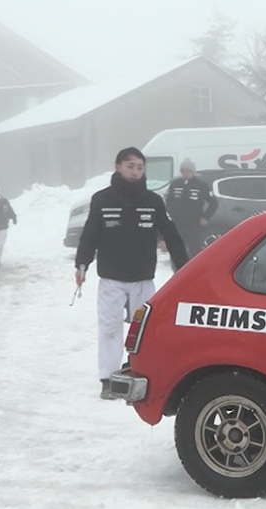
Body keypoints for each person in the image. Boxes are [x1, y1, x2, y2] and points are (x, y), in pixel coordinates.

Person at [75, 147, 190, 400]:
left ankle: (142, 373)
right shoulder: (102, 199)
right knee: (110, 328)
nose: (136, 171)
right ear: (118, 167)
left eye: (140, 167)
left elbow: (171, 235)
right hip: (112, 279)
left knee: (146, 329)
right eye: (130, 166)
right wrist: (81, 264)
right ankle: (108, 379)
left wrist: (184, 268)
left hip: (142, 279)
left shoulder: (153, 201)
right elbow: (90, 235)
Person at [165, 159, 218, 256]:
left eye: (188, 171)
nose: (185, 173)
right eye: (183, 171)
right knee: (177, 247)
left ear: (193, 171)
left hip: (194, 223)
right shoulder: (176, 184)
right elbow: (169, 201)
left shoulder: (201, 185)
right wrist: (172, 214)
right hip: (178, 223)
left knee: (194, 248)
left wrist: (206, 217)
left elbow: (213, 203)